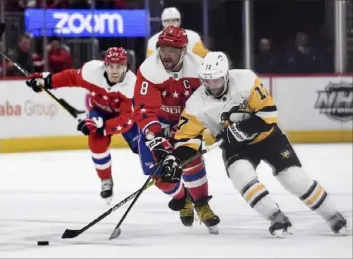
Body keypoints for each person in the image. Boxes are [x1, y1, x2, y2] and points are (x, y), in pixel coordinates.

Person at [161, 51, 347, 237]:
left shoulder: (245, 80)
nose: (211, 86)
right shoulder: (195, 104)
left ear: (226, 75)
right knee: (241, 176)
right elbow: (186, 139)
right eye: (206, 81)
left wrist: (240, 129)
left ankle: (333, 216)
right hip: (236, 148)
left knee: (293, 178)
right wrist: (178, 160)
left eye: (216, 80)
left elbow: (268, 114)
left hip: (268, 138)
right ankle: (276, 217)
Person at [134, 25, 220, 233]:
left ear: (184, 51)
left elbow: (211, 101)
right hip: (158, 125)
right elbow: (145, 110)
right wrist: (158, 142)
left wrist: (220, 126)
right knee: (161, 177)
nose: (166, 54)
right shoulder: (148, 70)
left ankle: (202, 203)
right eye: (163, 49)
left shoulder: (199, 68)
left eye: (172, 50)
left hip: (186, 122)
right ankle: (183, 198)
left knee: (191, 161)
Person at [25, 47, 139, 204]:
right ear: (105, 65)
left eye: (119, 67)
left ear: (125, 67)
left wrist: (102, 126)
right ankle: (106, 180)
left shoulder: (131, 85)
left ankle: (161, 169)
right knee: (96, 143)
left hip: (125, 118)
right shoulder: (92, 71)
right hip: (99, 111)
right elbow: (71, 77)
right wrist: (47, 81)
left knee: (143, 146)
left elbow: (127, 120)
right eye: (111, 66)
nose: (114, 71)